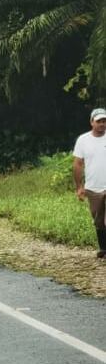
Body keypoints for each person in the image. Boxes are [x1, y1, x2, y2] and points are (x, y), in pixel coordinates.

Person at [73, 107, 106, 259]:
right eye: (99, 121)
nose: (102, 124)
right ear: (92, 122)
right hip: (93, 187)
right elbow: (78, 164)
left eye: (104, 121)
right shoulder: (83, 140)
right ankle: (103, 248)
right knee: (98, 219)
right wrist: (79, 187)